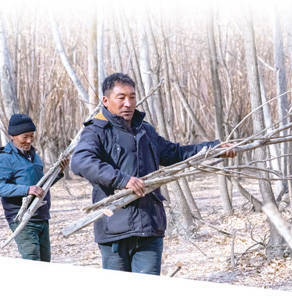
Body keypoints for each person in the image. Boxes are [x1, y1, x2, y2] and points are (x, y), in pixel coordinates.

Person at [71, 73, 235, 275]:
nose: (128, 103)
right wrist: (122, 180)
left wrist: (214, 147)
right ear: (106, 101)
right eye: (121, 97)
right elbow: (81, 161)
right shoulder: (96, 131)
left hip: (149, 226)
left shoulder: (145, 130)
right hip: (114, 227)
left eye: (132, 97)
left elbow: (176, 153)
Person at [0, 113, 68, 262]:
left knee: (45, 260)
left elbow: (40, 186)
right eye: (25, 137)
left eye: (32, 136)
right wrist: (27, 190)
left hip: (42, 216)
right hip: (21, 219)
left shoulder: (34, 156)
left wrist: (58, 173)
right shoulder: (5, 158)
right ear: (13, 135)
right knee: (31, 258)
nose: (29, 141)